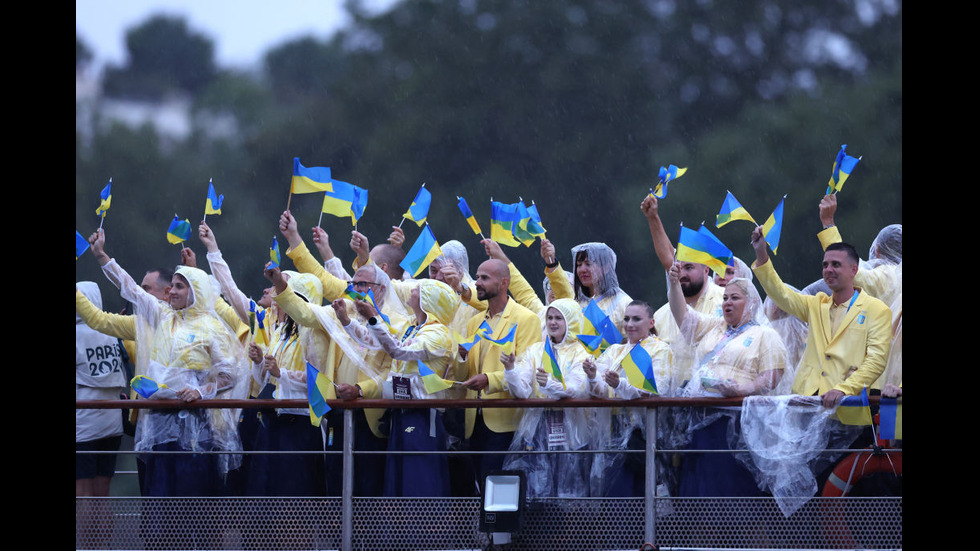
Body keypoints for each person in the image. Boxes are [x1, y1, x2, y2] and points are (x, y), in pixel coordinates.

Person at [666, 259, 788, 497]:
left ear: (751, 302)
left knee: (735, 499)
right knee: (700, 498)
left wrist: (742, 389)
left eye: (735, 298)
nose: (727, 303)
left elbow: (772, 377)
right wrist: (674, 284)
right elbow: (683, 316)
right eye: (724, 298)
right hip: (702, 420)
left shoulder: (765, 334)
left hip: (739, 423)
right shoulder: (715, 326)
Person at [339, 278, 461, 496]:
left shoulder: (438, 335)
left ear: (428, 301)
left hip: (422, 416)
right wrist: (346, 321)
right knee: (398, 479)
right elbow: (376, 340)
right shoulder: (412, 328)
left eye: (418, 290)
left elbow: (397, 351)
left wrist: (372, 318)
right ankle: (399, 530)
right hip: (400, 411)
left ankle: (422, 530)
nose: (411, 291)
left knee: (419, 481)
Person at [750, 226, 891, 406]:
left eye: (836, 264)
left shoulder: (877, 310)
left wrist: (844, 389)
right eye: (825, 265)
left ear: (854, 270)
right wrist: (761, 253)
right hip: (808, 403)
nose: (828, 269)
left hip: (851, 405)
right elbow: (781, 293)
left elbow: (876, 361)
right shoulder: (816, 304)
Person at [459, 259, 542, 494]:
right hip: (474, 421)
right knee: (480, 485)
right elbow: (466, 373)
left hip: (505, 422)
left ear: (504, 282)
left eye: (484, 278)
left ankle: (501, 532)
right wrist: (462, 358)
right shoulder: (474, 322)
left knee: (501, 489)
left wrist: (489, 380)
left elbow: (527, 370)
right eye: (477, 277)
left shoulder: (527, 319)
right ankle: (486, 531)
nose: (477, 283)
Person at [501, 299, 593, 498]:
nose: (553, 322)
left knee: (569, 485)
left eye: (559, 318)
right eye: (550, 317)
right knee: (537, 485)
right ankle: (539, 525)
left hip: (571, 432)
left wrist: (549, 384)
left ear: (571, 321)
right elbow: (522, 391)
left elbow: (578, 388)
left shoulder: (581, 353)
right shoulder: (535, 350)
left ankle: (569, 528)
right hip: (537, 428)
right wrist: (510, 370)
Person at [583, 300, 672, 497]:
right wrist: (591, 376)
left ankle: (640, 527)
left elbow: (655, 390)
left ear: (651, 323)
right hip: (613, 428)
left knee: (637, 489)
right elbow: (600, 390)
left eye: (636, 319)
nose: (630, 324)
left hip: (643, 432)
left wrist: (620, 385)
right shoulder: (615, 350)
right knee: (613, 490)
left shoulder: (660, 349)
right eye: (626, 319)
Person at [640, 194, 725, 387]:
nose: (682, 273)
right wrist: (652, 217)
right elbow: (668, 260)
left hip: (714, 400)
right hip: (671, 404)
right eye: (679, 268)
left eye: (689, 268)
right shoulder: (661, 315)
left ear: (706, 269)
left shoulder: (725, 303)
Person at [76, 281, 128, 497]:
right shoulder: (111, 333)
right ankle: (103, 534)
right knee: (102, 492)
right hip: (112, 422)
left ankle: (86, 534)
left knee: (83, 492)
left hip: (84, 422)